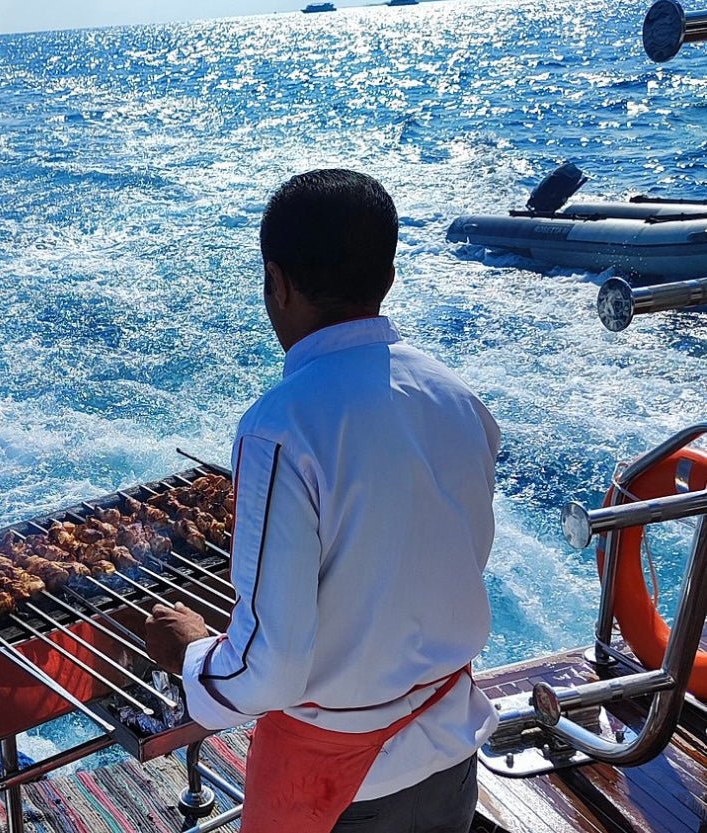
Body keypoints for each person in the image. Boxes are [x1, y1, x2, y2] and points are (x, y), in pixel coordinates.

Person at [144, 169, 500, 833]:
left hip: (343, 793)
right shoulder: (457, 398)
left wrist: (191, 652)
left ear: (275, 283)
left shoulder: (280, 426)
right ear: (388, 276)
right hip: (451, 756)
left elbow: (269, 670)